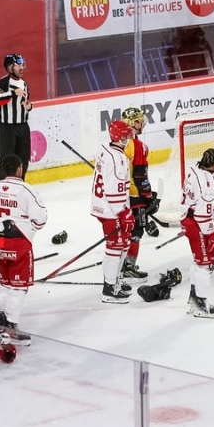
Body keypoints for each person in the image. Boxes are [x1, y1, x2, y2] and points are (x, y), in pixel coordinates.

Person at [0, 154, 48, 346]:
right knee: (18, 289)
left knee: (5, 285)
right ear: (19, 169)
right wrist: (28, 229)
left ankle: (2, 325)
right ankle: (10, 331)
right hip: (20, 244)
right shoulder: (26, 189)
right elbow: (40, 218)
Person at [91, 120, 136, 304]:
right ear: (121, 137)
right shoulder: (118, 158)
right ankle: (109, 289)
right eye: (126, 136)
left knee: (123, 245)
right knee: (115, 248)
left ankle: (114, 280)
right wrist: (123, 213)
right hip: (111, 210)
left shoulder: (106, 149)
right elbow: (113, 191)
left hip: (104, 206)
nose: (129, 139)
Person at [180, 148, 214, 318]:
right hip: (198, 223)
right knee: (205, 264)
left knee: (198, 262)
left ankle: (194, 300)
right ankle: (201, 305)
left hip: (190, 219)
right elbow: (202, 214)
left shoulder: (194, 170)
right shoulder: (207, 184)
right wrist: (212, 234)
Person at [121, 107, 160, 281]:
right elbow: (140, 175)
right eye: (139, 121)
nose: (142, 123)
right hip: (135, 195)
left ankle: (118, 263)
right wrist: (149, 195)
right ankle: (128, 265)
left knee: (123, 230)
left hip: (119, 195)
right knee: (136, 230)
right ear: (133, 123)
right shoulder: (138, 146)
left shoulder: (117, 141)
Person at [0, 53, 33, 182]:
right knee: (6, 160)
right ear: (10, 68)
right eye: (18, 65)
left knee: (23, 159)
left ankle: (19, 186)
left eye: (22, 64)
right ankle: (1, 188)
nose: (22, 68)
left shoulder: (24, 83)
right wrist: (13, 93)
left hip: (23, 126)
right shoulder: (4, 82)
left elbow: (26, 102)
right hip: (7, 128)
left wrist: (29, 106)